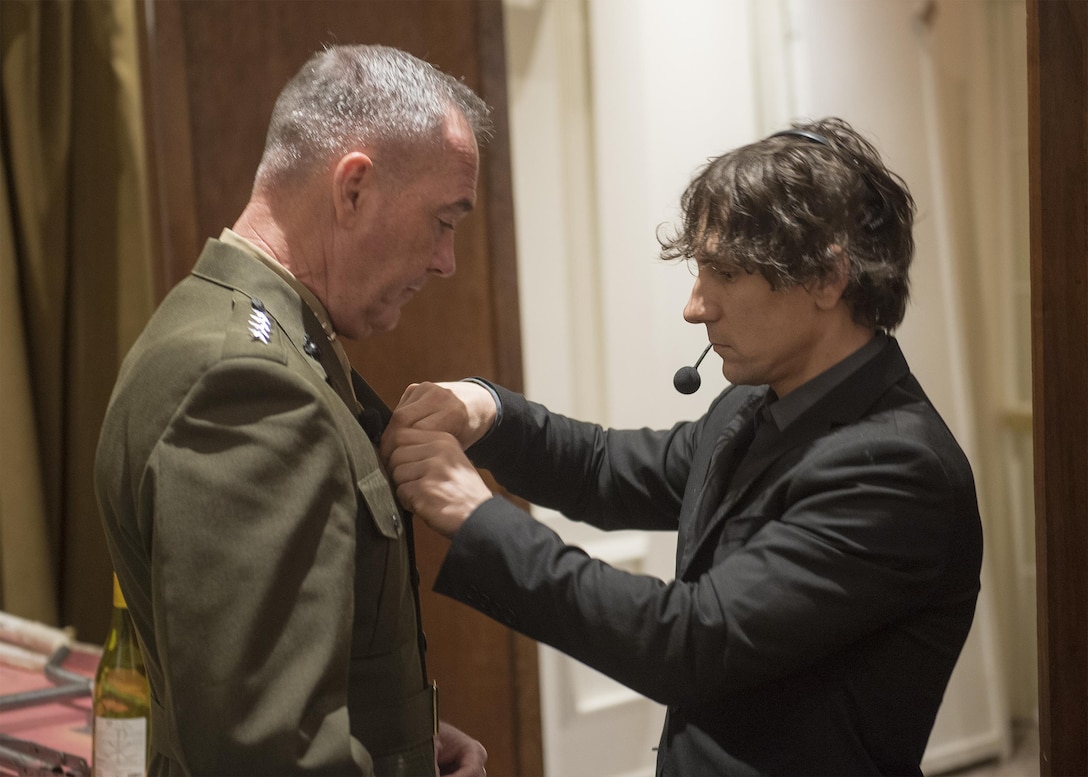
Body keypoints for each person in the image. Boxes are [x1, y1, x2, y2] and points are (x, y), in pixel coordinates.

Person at [383, 117, 983, 776]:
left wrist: (476, 515)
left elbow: (694, 642)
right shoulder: (755, 404)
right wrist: (487, 411)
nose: (696, 308)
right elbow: (607, 470)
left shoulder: (897, 468)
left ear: (826, 279)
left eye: (723, 271)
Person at [95, 44, 491, 777]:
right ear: (354, 189)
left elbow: (287, 671)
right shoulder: (246, 381)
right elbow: (266, 751)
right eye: (442, 220)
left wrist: (402, 737)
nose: (447, 261)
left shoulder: (255, 332)